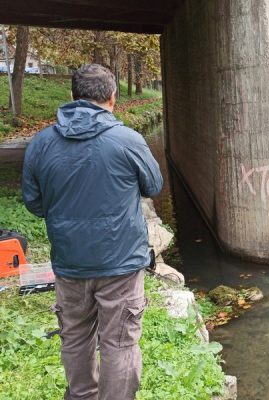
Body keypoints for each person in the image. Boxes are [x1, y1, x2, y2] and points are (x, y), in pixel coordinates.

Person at [21, 64, 163, 400]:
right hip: (122, 264)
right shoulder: (128, 139)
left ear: (72, 97)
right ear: (113, 97)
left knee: (75, 335)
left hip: (70, 262)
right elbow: (153, 185)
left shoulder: (41, 143)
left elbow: (34, 202)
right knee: (119, 341)